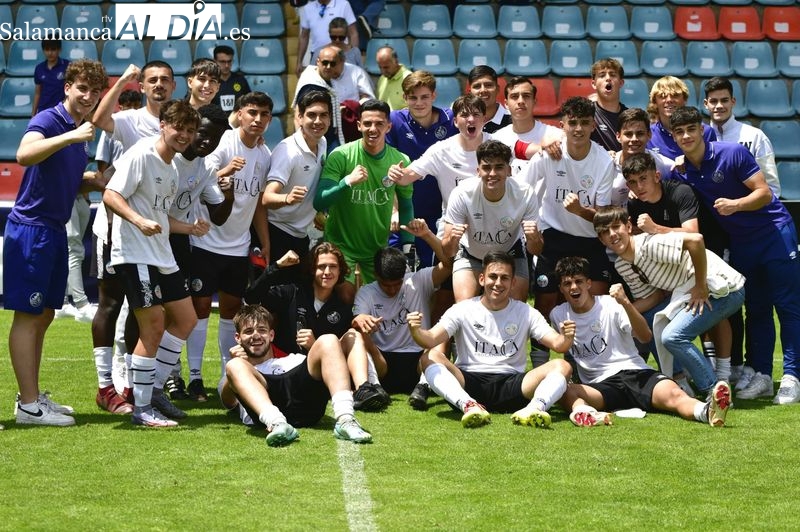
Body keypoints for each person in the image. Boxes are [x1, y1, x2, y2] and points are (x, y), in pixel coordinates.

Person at [668, 106, 800, 405]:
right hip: (742, 243)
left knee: (788, 307)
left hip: (775, 233)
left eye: (691, 129)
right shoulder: (684, 170)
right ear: (674, 137)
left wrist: (736, 205)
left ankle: (793, 377)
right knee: (756, 308)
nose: (686, 135)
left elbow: (764, 193)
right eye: (679, 132)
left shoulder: (733, 153)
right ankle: (764, 377)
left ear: (701, 129)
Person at [5, 59, 107, 427]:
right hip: (32, 229)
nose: (89, 97)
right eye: (83, 89)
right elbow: (24, 154)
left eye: (95, 92)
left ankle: (30, 399)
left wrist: (90, 180)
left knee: (45, 314)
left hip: (53, 229)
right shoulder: (53, 120)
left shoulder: (78, 128)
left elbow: (63, 176)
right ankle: (30, 405)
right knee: (29, 315)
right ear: (68, 88)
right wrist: (70, 137)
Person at [102, 99, 208, 427]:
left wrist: (189, 227)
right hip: (135, 254)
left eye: (190, 131)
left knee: (186, 319)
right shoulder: (141, 155)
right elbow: (110, 194)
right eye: (178, 127)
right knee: (153, 327)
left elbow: (160, 216)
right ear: (163, 125)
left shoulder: (173, 166)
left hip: (161, 254)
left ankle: (155, 388)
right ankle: (142, 408)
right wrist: (138, 220)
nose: (184, 135)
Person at [551, 257, 731, 428]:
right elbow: (563, 349)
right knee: (565, 391)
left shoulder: (610, 304)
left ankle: (707, 411)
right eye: (567, 283)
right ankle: (586, 413)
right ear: (561, 288)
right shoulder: (558, 315)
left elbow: (645, 336)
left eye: (579, 281)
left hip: (635, 373)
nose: (574, 287)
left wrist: (626, 303)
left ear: (588, 283)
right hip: (601, 385)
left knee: (675, 394)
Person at [406, 251, 576, 428]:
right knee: (429, 357)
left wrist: (566, 337)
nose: (498, 283)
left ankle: (534, 409)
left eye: (504, 278)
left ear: (513, 282)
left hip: (513, 385)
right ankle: (468, 406)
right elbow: (430, 339)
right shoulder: (462, 309)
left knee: (563, 366)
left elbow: (558, 345)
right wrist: (416, 330)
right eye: (492, 277)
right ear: (481, 279)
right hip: (469, 383)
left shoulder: (526, 312)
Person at [593, 206, 745, 398]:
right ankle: (678, 378)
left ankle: (714, 391)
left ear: (629, 226)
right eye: (605, 232)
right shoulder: (622, 264)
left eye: (616, 227)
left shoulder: (649, 245)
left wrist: (700, 286)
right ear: (600, 239)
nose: (612, 235)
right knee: (648, 319)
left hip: (724, 289)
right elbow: (654, 298)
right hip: (687, 293)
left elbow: (696, 240)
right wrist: (617, 308)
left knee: (672, 337)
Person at [186, 92, 273, 398]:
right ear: (239, 114)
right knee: (198, 311)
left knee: (230, 314)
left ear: (270, 120)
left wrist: (265, 242)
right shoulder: (225, 143)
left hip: (238, 247)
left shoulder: (265, 155)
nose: (257, 119)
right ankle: (194, 377)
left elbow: (259, 204)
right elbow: (200, 180)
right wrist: (225, 171)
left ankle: (228, 376)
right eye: (252, 112)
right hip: (205, 241)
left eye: (263, 114)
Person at [519, 96, 615, 366]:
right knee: (545, 305)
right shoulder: (550, 153)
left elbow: (604, 217)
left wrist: (581, 211)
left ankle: (588, 366)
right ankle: (540, 366)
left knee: (593, 304)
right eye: (572, 123)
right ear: (562, 125)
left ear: (593, 125)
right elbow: (521, 188)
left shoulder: (603, 162)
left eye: (585, 123)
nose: (578, 129)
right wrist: (530, 226)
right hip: (554, 238)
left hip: (589, 240)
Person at [245, 242, 386, 410]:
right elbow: (251, 297)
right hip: (285, 370)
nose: (327, 272)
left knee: (353, 335)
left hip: (319, 374)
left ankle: (364, 389)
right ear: (313, 269)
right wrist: (277, 266)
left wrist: (315, 345)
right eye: (322, 267)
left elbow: (340, 356)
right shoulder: (292, 293)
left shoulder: (341, 307)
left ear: (340, 271)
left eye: (333, 267)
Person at [222, 304, 373, 446]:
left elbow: (329, 367)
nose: (256, 336)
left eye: (261, 330)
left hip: (306, 404)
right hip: (267, 412)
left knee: (329, 340)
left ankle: (346, 419)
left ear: (271, 335)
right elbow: (229, 402)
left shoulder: (293, 359)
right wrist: (237, 367)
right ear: (237, 338)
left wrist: (316, 347)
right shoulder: (236, 371)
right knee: (233, 365)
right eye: (248, 332)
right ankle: (278, 424)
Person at [313, 98, 413, 303]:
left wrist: (408, 248)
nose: (372, 129)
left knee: (381, 302)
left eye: (379, 123)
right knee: (346, 296)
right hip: (340, 246)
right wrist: (347, 182)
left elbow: (406, 205)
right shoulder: (341, 155)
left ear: (388, 126)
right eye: (367, 123)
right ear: (359, 125)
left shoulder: (400, 160)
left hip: (376, 247)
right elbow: (319, 202)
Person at [352, 227, 451, 402]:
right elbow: (357, 320)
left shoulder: (417, 280)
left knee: (443, 332)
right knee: (354, 334)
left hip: (419, 359)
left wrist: (427, 235)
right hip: (382, 361)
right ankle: (371, 386)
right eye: (386, 285)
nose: (392, 290)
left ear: (404, 275)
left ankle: (423, 386)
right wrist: (360, 320)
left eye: (397, 284)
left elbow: (448, 264)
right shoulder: (366, 293)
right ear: (375, 275)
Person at [441, 140, 540, 303]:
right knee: (464, 307)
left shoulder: (525, 193)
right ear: (478, 171)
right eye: (486, 168)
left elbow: (536, 250)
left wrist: (534, 238)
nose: (492, 173)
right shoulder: (461, 193)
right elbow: (448, 251)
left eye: (499, 167)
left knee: (516, 306)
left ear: (509, 170)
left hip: (510, 254)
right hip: (471, 254)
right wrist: (452, 239)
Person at [385, 70, 457, 268]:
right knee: (397, 266)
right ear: (404, 97)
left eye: (425, 97)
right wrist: (393, 210)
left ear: (434, 96)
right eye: (413, 98)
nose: (419, 103)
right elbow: (386, 167)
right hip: (404, 206)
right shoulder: (395, 121)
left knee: (434, 268)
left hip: (439, 208)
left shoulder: (451, 121)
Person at [261, 89, 331, 269]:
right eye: (311, 115)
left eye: (323, 115)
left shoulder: (322, 143)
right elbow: (267, 198)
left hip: (301, 233)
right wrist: (287, 198)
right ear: (299, 117)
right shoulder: (288, 152)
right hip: (278, 232)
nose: (318, 121)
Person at [703, 76, 781, 198]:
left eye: (724, 100)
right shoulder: (698, 138)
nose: (719, 106)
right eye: (713, 101)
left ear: (733, 102)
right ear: (706, 104)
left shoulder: (755, 136)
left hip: (751, 212)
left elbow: (772, 186)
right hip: (712, 212)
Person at [294, 46, 375, 150]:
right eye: (325, 63)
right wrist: (302, 144)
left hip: (328, 137)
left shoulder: (326, 79)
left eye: (332, 64)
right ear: (317, 62)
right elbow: (298, 115)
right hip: (314, 139)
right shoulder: (311, 84)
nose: (328, 67)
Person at [491, 76, 563, 178]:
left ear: (534, 101)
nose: (520, 101)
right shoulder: (496, 139)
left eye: (526, 96)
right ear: (506, 104)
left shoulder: (555, 136)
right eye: (514, 96)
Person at [610, 108, 675, 208]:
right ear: (618, 136)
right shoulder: (607, 165)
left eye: (640, 134)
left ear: (649, 135)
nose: (634, 139)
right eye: (628, 134)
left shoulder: (666, 166)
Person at [646, 76, 716, 160]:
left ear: (685, 99)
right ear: (655, 102)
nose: (669, 100)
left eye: (675, 95)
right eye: (662, 96)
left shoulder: (706, 132)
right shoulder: (648, 135)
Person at [296, 0, 359, 75]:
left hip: (340, 55)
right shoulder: (307, 8)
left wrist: (353, 54)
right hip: (317, 56)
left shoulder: (344, 4)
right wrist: (299, 62)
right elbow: (304, 36)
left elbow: (353, 33)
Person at [589, 58, 627, 152]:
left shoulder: (629, 117)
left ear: (621, 83)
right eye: (602, 75)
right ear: (594, 84)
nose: (608, 78)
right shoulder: (586, 114)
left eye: (613, 75)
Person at [468, 66, 511, 134]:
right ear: (470, 92)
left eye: (488, 85)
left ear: (497, 89)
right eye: (477, 86)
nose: (483, 90)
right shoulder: (461, 120)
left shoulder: (513, 120)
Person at [32, 39, 69, 116]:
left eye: (53, 49)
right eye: (47, 49)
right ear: (43, 50)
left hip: (61, 110)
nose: (50, 53)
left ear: (59, 50)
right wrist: (33, 114)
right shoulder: (39, 68)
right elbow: (37, 93)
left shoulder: (67, 66)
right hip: (43, 110)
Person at [211, 45, 252, 114]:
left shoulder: (240, 80)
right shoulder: (209, 81)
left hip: (237, 122)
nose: (227, 65)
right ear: (214, 61)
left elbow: (249, 102)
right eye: (222, 62)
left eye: (229, 61)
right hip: (214, 122)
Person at [375, 46, 411, 111]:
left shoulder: (410, 79)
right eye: (380, 67)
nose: (383, 71)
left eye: (386, 67)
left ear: (396, 61)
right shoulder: (382, 78)